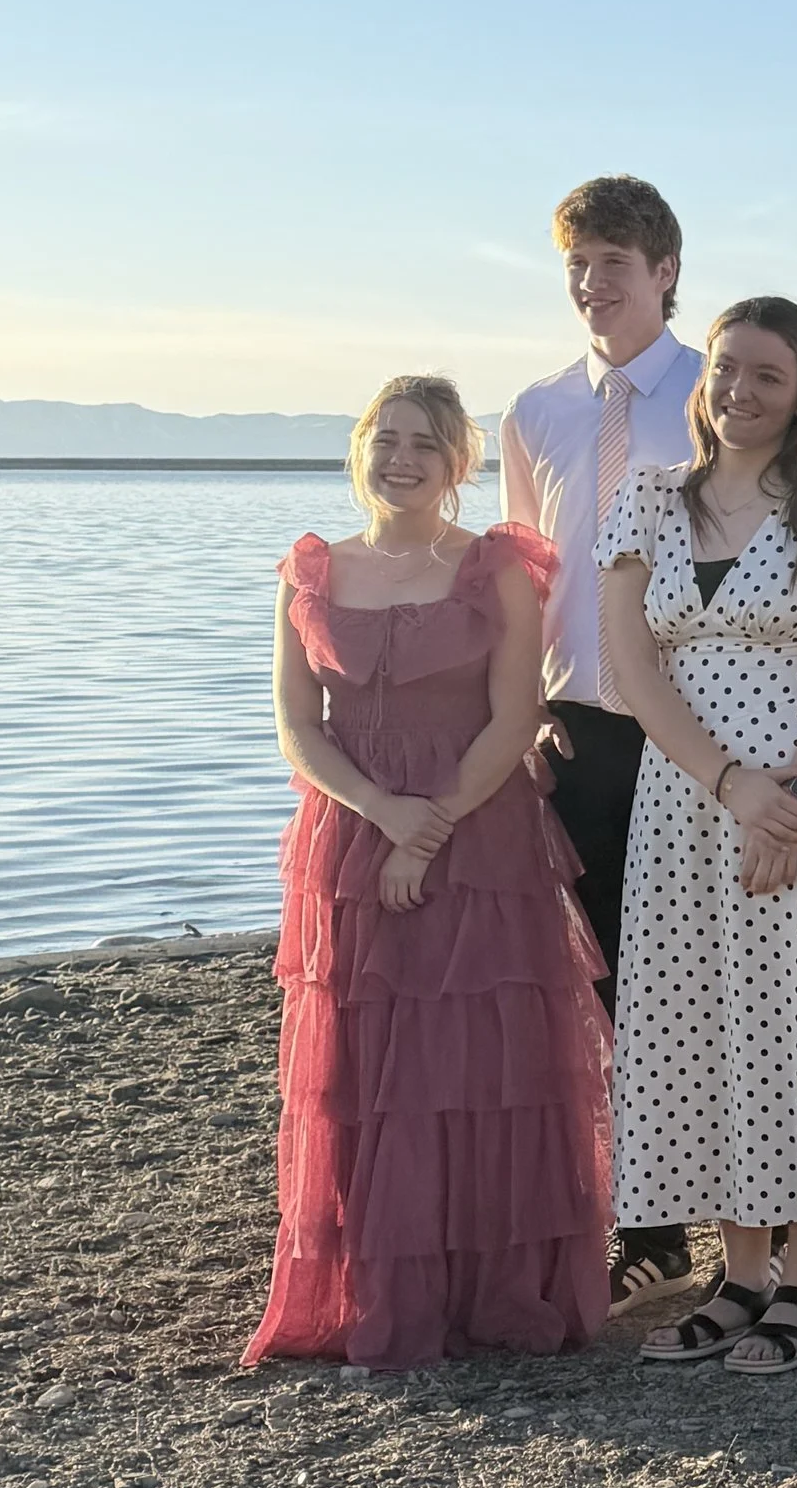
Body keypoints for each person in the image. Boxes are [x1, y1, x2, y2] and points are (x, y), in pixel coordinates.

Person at [247, 376, 613, 1370]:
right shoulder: (311, 571)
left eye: (426, 444)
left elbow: (513, 714)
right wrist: (385, 817)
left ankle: (490, 1288)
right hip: (350, 831)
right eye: (386, 438)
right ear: (359, 448)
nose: (401, 458)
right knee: (369, 1066)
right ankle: (382, 1284)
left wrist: (432, 825)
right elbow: (296, 727)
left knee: (482, 1063)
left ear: (461, 465)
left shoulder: (493, 568)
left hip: (480, 832)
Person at [598, 297, 797, 1375]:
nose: (739, 390)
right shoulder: (645, 500)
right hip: (682, 806)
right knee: (697, 1035)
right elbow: (632, 669)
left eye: (766, 375)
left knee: (796, 1024)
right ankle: (739, 1275)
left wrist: (796, 796)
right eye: (726, 368)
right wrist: (727, 784)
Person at [500, 172, 702, 1307]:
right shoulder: (535, 412)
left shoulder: (716, 397)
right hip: (576, 729)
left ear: (665, 272)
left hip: (694, 727)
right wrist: (522, 711)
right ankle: (648, 1229)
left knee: (691, 975)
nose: (591, 286)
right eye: (577, 266)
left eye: (613, 265)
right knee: (603, 981)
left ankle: (714, 1219)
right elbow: (529, 576)